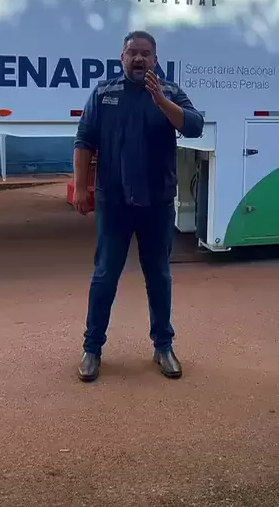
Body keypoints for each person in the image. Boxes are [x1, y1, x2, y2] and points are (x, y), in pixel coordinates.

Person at [73, 31, 204, 382]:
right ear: (122, 57)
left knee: (158, 276)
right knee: (104, 276)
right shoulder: (104, 93)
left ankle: (163, 346)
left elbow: (194, 126)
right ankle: (92, 349)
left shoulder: (169, 92)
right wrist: (81, 187)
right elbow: (84, 140)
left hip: (156, 203)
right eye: (133, 52)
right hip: (114, 202)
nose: (139, 59)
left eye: (146, 53)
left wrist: (160, 100)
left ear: (155, 60)